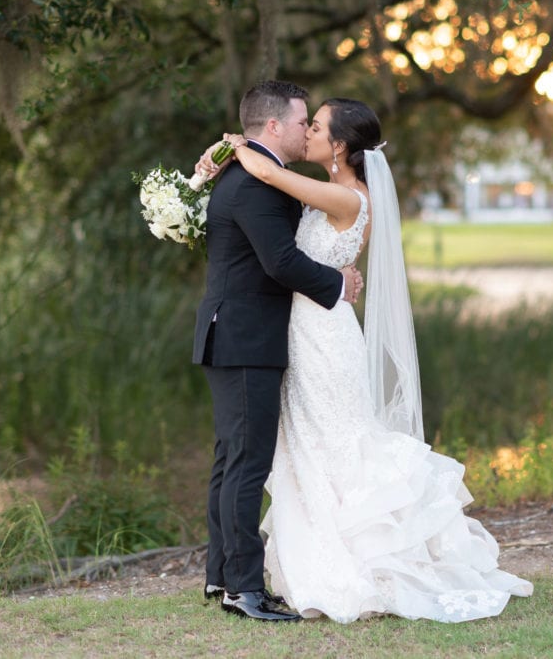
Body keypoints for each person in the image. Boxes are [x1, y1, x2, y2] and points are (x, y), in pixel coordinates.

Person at [195, 98, 532, 623]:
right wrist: (227, 157)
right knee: (306, 449)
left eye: (317, 126)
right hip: (302, 333)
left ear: (340, 147)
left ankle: (352, 559)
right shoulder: (324, 193)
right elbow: (273, 223)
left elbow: (268, 178)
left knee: (336, 444)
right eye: (305, 122)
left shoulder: (345, 197)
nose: (307, 132)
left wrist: (239, 149)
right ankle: (251, 573)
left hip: (324, 339)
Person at [194, 81, 363, 623]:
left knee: (232, 459)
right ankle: (243, 588)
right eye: (300, 121)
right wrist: (337, 284)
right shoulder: (255, 183)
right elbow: (281, 263)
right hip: (247, 336)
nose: (304, 128)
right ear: (272, 127)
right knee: (246, 462)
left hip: (240, 332)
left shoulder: (255, 175)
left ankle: (222, 576)